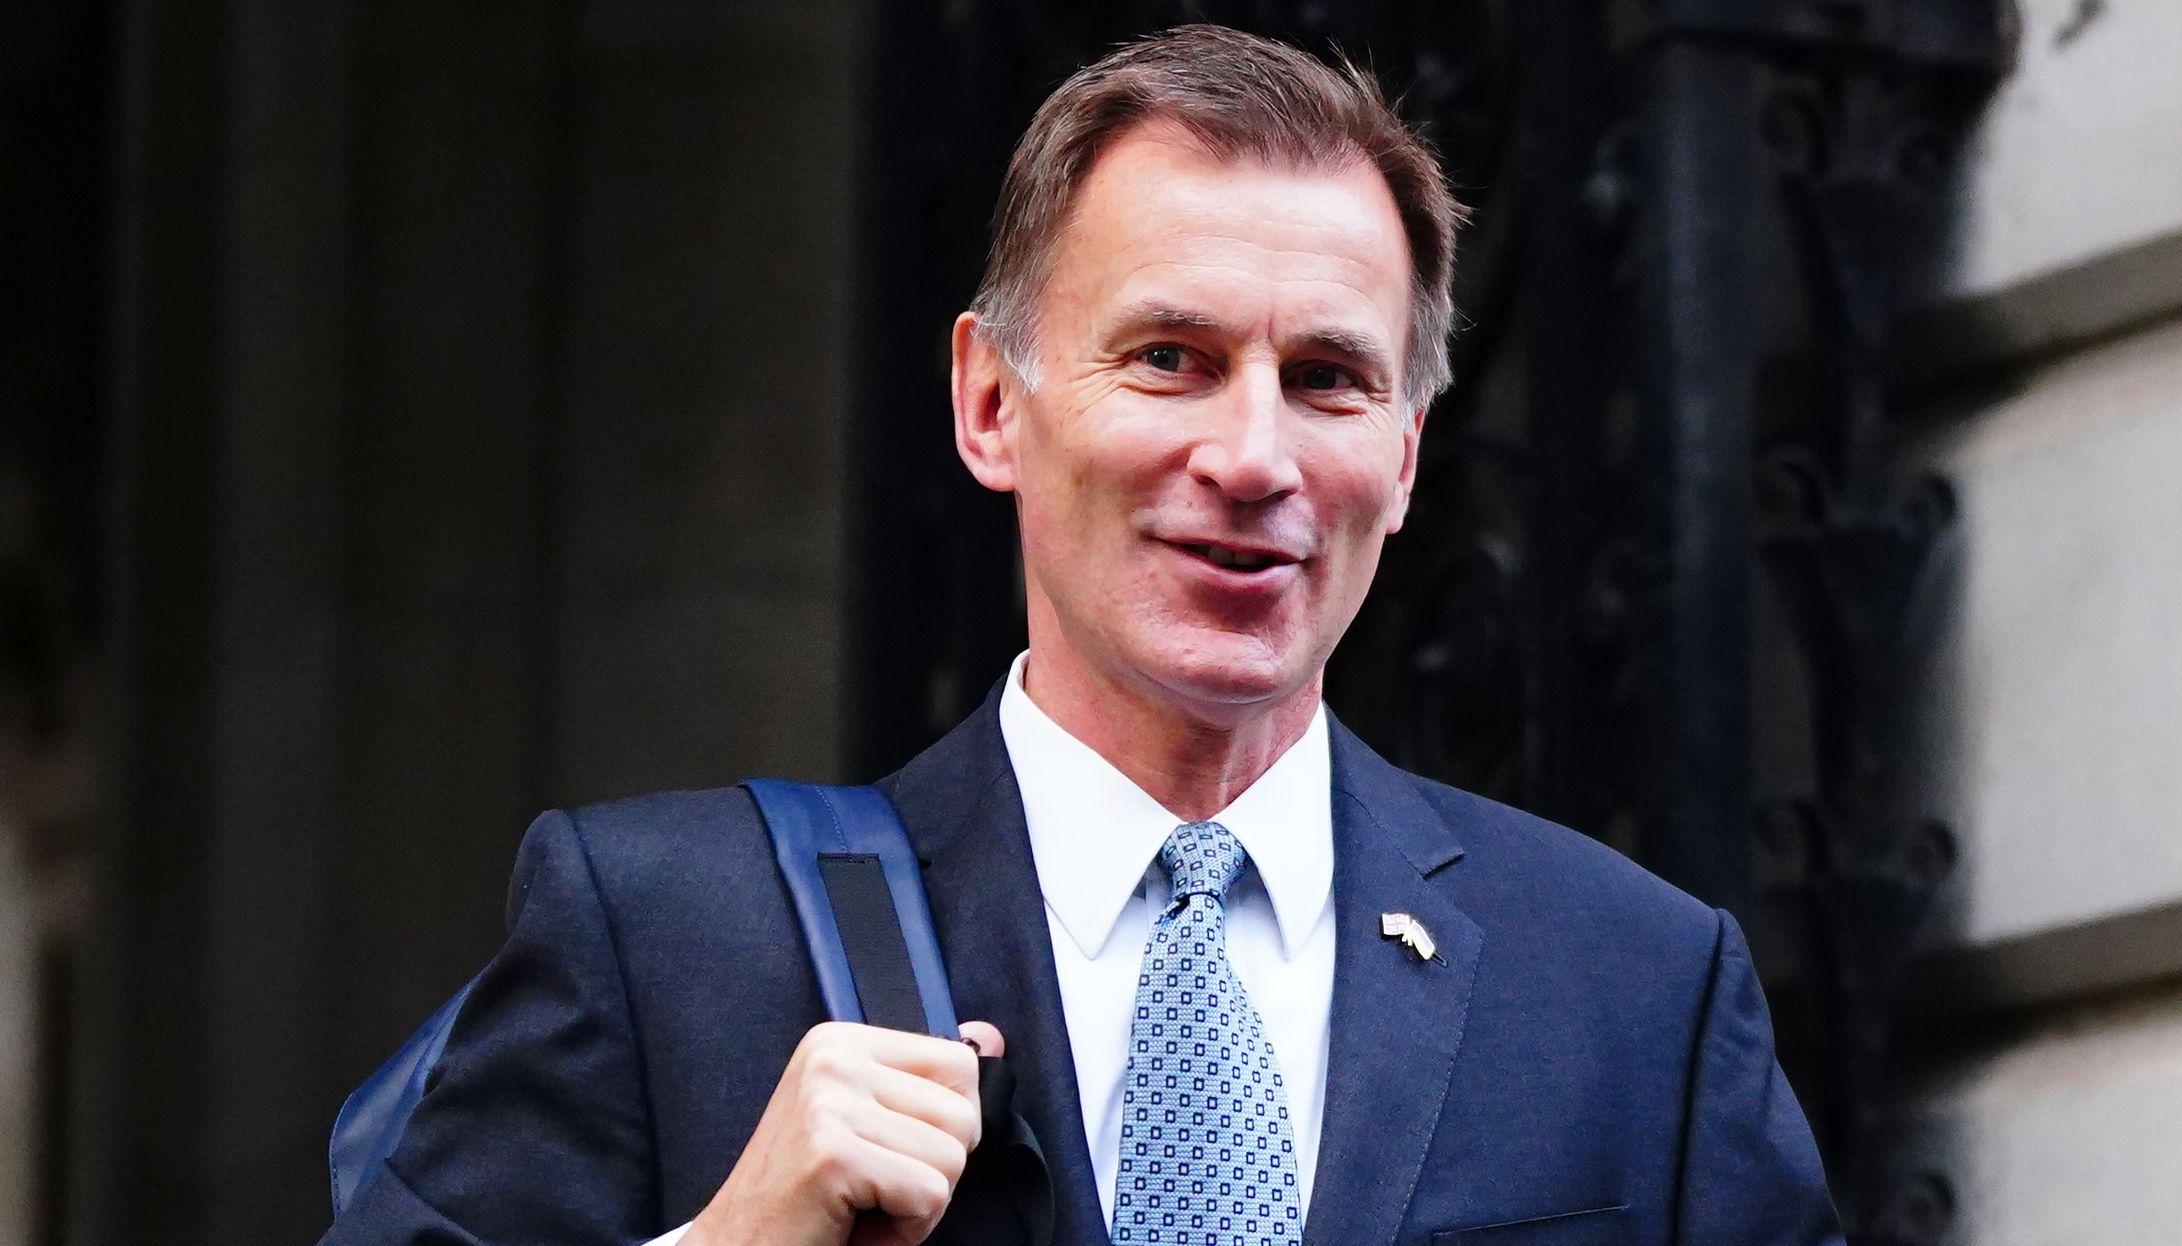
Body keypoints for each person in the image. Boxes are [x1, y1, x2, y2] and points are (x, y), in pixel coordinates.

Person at [321, 24, 1841, 1246]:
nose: (1253, 456)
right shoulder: (667, 936)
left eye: (1326, 378)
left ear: (1407, 447)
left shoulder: (1632, 984)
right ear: (992, 403)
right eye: (1169, 357)